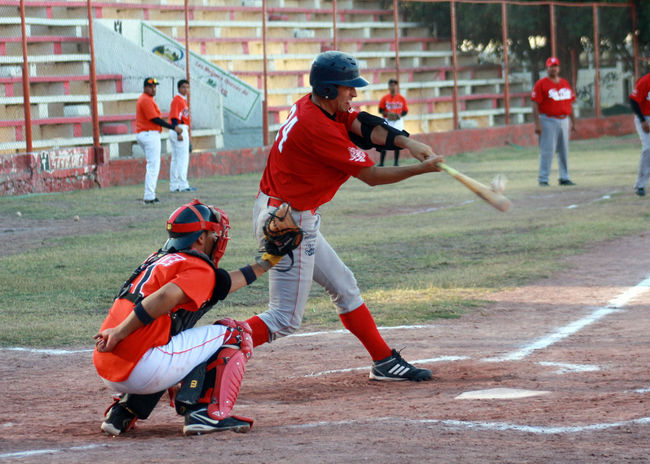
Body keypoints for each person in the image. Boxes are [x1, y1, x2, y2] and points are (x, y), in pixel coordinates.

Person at [246, 50, 445, 382]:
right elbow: (371, 176)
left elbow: (362, 124)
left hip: (287, 210)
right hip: (288, 221)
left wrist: (408, 142)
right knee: (283, 318)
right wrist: (421, 169)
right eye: (347, 87)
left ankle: (384, 361)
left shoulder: (317, 106)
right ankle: (204, 352)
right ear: (327, 89)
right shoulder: (316, 127)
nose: (353, 93)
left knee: (345, 286)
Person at [93, 199, 295, 436]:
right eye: (213, 234)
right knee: (235, 333)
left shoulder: (159, 260)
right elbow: (165, 296)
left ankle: (123, 412)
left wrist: (268, 261)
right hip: (140, 366)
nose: (217, 239)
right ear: (200, 238)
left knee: (173, 337)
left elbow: (221, 285)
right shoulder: (196, 266)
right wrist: (119, 333)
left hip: (110, 364)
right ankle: (206, 414)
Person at [136, 77, 183, 204]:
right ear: (145, 87)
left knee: (152, 164)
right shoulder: (145, 99)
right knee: (153, 165)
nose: (153, 88)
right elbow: (155, 119)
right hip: (149, 134)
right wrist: (173, 127)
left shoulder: (147, 99)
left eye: (155, 86)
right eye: (150, 86)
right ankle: (149, 196)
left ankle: (149, 194)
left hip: (146, 134)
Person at [531, 57, 577, 187]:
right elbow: (535, 104)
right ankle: (543, 178)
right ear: (547, 68)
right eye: (551, 66)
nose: (553, 69)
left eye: (555, 66)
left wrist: (573, 122)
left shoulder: (565, 83)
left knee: (564, 150)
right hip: (548, 120)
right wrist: (537, 123)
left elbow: (570, 103)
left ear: (559, 68)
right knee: (547, 150)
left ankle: (564, 177)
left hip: (564, 119)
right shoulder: (541, 84)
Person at [169, 79, 195, 193]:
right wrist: (178, 133)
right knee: (182, 158)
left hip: (180, 128)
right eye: (183, 87)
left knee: (176, 158)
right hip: (179, 128)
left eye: (187, 87)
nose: (186, 89)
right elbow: (174, 117)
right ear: (179, 88)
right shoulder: (177, 99)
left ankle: (174, 185)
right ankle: (183, 184)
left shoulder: (183, 100)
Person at [378, 78, 408, 166]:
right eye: (391, 85)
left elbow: (405, 111)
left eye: (394, 85)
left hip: (398, 121)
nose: (393, 87)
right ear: (389, 87)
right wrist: (387, 113)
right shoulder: (385, 98)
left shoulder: (401, 98)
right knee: (384, 140)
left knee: (398, 139)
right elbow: (380, 110)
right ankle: (381, 163)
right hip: (388, 120)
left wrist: (399, 115)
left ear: (397, 86)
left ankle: (396, 162)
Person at [629, 72, 650, 197]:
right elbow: (633, 101)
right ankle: (640, 184)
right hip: (645, 118)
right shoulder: (646, 80)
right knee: (648, 148)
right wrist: (643, 120)